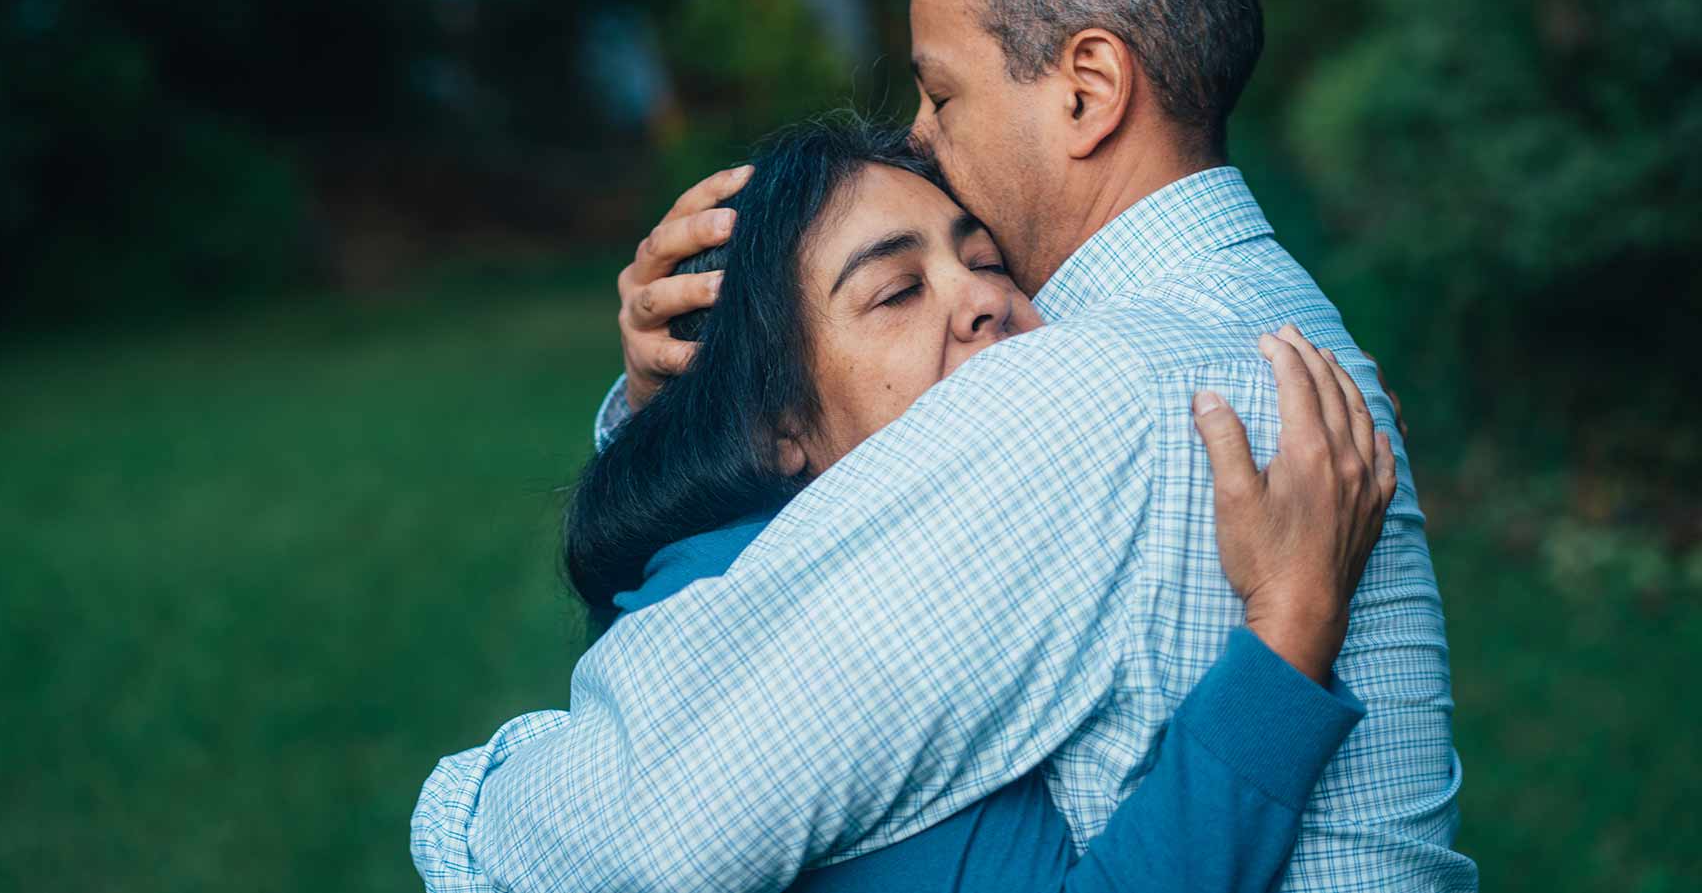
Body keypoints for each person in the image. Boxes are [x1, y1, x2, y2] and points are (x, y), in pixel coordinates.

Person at [416, 0, 1473, 891]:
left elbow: (639, 827)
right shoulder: (1268, 323)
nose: (919, 140)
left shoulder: (1083, 389)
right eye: (896, 285)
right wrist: (684, 403)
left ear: (1088, 90)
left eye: (941, 93)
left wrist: (465, 801)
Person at [512, 117, 1386, 893]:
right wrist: (1291, 626)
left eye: (986, 259)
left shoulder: (717, 562)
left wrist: (658, 409)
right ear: (778, 426)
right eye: (897, 291)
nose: (984, 299)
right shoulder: (851, 646)